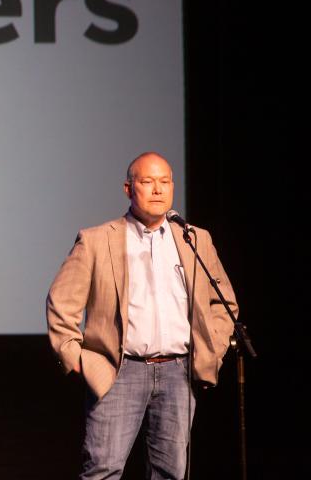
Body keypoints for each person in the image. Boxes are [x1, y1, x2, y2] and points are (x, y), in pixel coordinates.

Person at [46, 152, 237, 480]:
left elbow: (224, 303)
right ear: (128, 188)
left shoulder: (194, 239)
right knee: (102, 470)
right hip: (119, 372)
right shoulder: (97, 240)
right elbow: (61, 302)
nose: (158, 190)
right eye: (147, 182)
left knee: (171, 472)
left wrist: (213, 348)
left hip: (179, 372)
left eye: (165, 182)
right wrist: (76, 356)